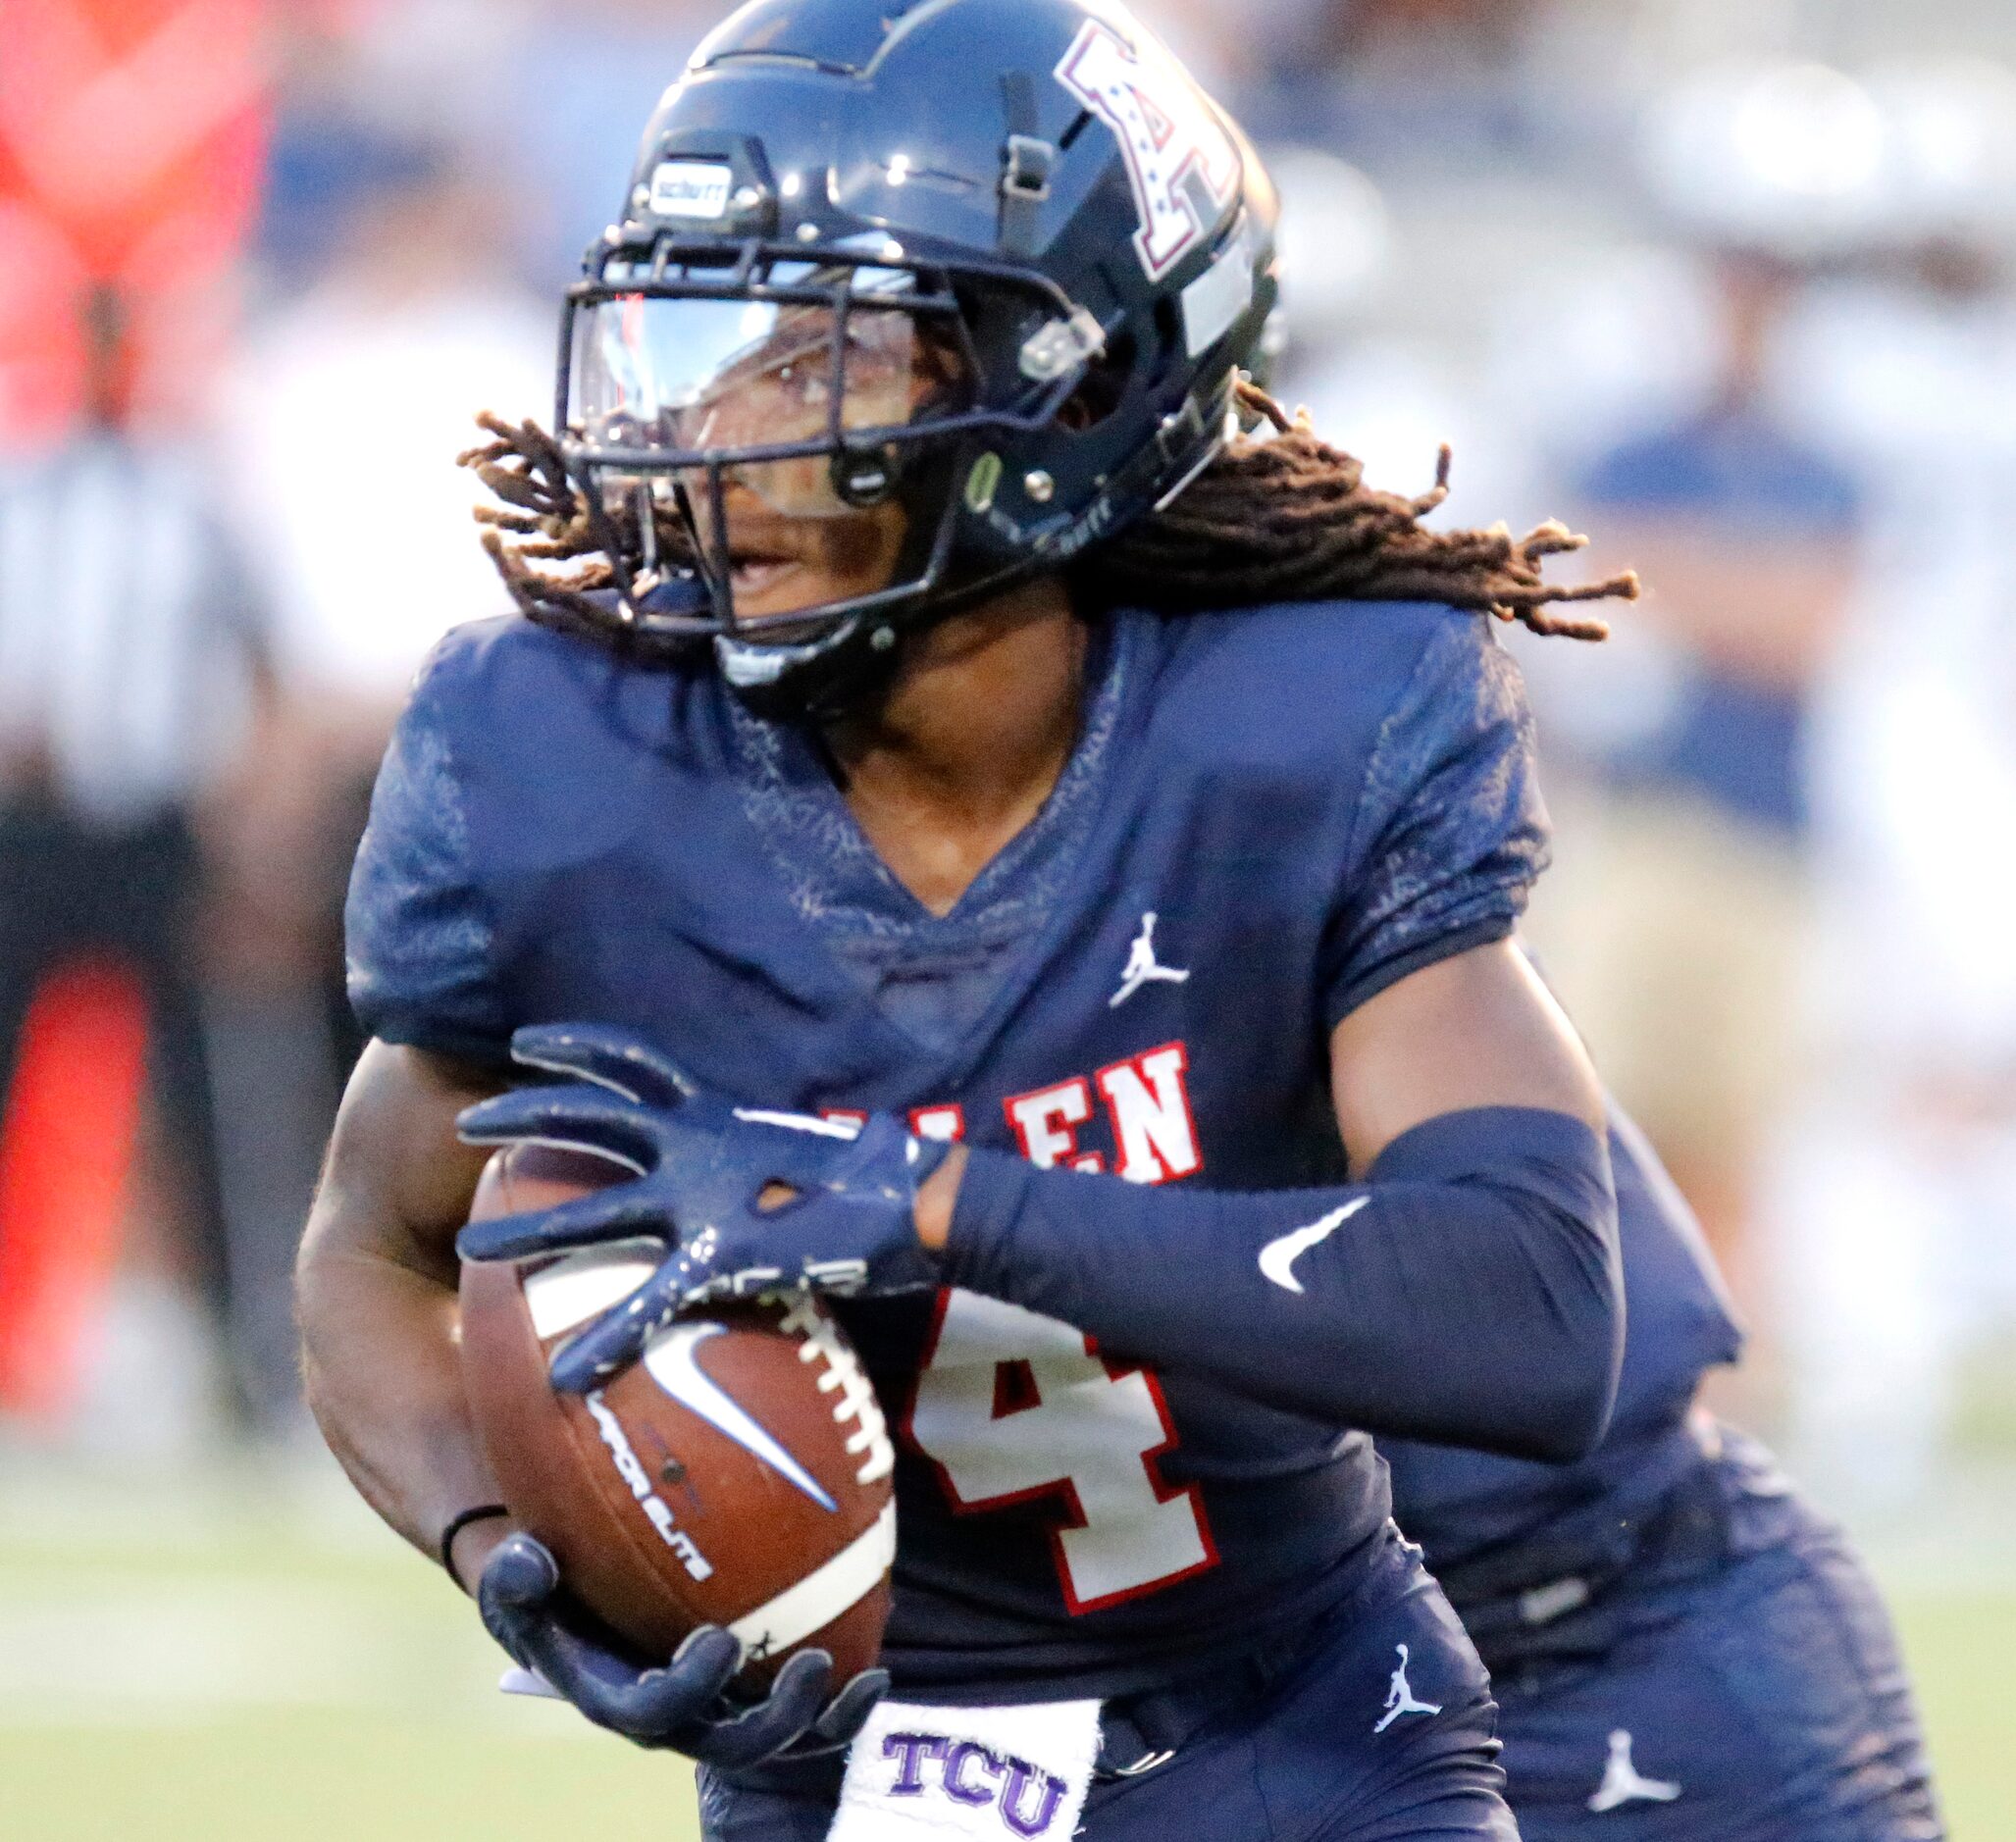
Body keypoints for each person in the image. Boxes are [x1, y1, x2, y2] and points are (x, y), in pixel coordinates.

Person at [297, 1, 1640, 1834]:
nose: (708, 427)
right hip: (835, 1765)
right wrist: (492, 1536)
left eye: (814, 352)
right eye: (698, 333)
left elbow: (1536, 1313)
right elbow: (371, 1247)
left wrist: (935, 1204)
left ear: (1067, 388)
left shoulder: (1301, 722)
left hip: (1296, 1734)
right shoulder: (564, 758)